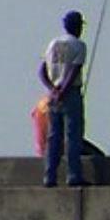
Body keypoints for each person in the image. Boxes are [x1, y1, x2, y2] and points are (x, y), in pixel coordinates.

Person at [40, 10, 87, 188]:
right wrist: (64, 91)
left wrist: (52, 89)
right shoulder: (79, 45)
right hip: (70, 93)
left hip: (53, 94)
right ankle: (73, 175)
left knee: (54, 137)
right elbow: (74, 70)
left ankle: (49, 176)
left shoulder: (53, 44)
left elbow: (42, 70)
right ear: (78, 27)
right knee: (73, 136)